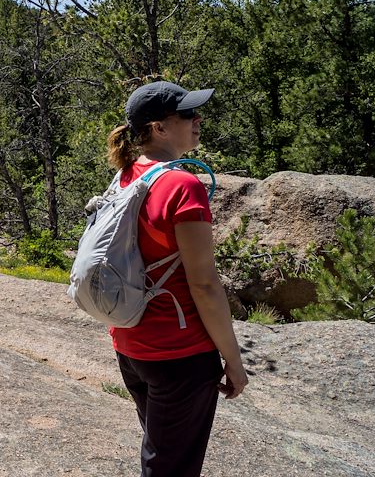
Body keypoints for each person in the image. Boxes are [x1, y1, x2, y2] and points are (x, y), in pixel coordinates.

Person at [106, 80, 248, 477]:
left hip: (130, 343)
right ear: (159, 128)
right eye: (187, 114)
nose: (198, 119)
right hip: (180, 354)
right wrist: (233, 361)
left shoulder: (127, 176)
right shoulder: (183, 186)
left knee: (160, 454)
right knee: (171, 467)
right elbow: (204, 284)